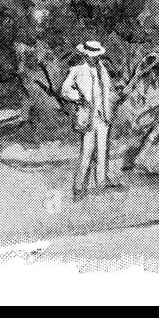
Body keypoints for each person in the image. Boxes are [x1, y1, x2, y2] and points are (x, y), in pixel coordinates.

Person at [60, 38, 123, 199]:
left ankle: (100, 182)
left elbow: (108, 92)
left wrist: (112, 101)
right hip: (87, 117)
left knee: (102, 151)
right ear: (85, 55)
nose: (94, 58)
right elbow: (65, 91)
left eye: (96, 55)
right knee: (87, 152)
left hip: (103, 117)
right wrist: (78, 97)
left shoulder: (103, 70)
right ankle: (79, 186)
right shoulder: (77, 70)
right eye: (91, 55)